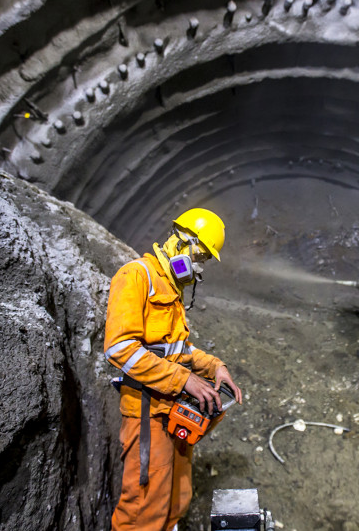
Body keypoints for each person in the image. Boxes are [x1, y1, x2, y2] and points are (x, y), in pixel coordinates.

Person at [104, 208, 243, 531]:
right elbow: (119, 348)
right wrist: (185, 380)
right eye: (202, 258)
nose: (200, 268)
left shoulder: (171, 288)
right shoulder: (136, 276)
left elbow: (180, 350)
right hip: (147, 414)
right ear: (184, 243)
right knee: (144, 511)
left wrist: (215, 367)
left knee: (177, 498)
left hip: (172, 409)